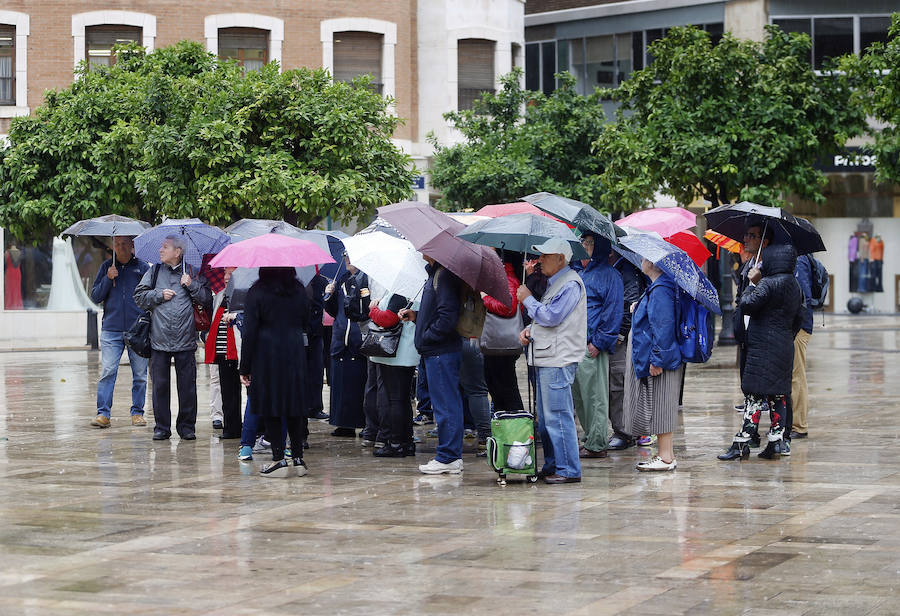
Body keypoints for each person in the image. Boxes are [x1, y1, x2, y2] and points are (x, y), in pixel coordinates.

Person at [719, 244, 802, 461]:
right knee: (779, 395)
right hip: (783, 345)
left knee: (754, 395)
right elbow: (798, 319)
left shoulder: (768, 283)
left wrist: (750, 284)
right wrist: (785, 336)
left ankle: (742, 442)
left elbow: (747, 305)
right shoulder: (795, 284)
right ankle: (776, 441)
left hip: (762, 347)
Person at [517, 238, 587, 485]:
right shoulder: (555, 283)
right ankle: (554, 463)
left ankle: (568, 469)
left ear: (561, 259)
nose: (540, 261)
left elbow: (552, 316)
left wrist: (527, 298)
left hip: (558, 359)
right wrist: (529, 330)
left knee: (557, 416)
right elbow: (545, 319)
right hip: (547, 356)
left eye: (545, 256)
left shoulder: (570, 284)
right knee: (547, 419)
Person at [134, 236, 211, 441]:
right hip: (159, 338)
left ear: (177, 252)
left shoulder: (192, 271)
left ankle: (186, 427)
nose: (160, 250)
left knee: (187, 386)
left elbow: (207, 298)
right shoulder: (155, 270)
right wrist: (158, 294)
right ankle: (161, 427)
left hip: (185, 339)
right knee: (159, 386)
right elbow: (139, 297)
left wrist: (191, 285)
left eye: (165, 247)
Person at [239, 267, 310, 477]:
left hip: (266, 353)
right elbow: (306, 321)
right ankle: (297, 458)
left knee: (271, 405)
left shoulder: (257, 291)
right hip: (295, 350)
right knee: (294, 404)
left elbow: (249, 331)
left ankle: (279, 458)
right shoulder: (299, 290)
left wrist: (245, 366)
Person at [399, 256, 465, 475]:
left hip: (441, 351)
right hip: (438, 350)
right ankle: (450, 455)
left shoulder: (444, 275)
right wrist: (417, 317)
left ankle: (448, 456)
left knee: (446, 405)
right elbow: (437, 312)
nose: (420, 251)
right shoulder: (435, 274)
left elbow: (447, 315)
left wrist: (428, 336)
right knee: (445, 403)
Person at [623, 259, 683, 472]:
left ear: (652, 263)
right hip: (660, 356)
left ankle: (666, 456)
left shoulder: (661, 289)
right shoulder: (658, 287)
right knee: (660, 404)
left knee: (661, 404)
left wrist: (657, 359)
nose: (641, 261)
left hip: (660, 358)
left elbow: (663, 326)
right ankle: (667, 454)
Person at [90, 235, 150, 428]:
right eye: (117, 243)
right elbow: (96, 296)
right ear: (113, 245)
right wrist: (108, 279)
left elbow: (150, 296)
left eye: (125, 243)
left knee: (140, 374)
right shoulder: (107, 267)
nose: (121, 247)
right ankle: (103, 414)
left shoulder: (142, 268)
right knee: (108, 372)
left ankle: (137, 413)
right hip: (111, 330)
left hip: (137, 330)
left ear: (132, 245)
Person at [572, 234, 623, 458]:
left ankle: (598, 442)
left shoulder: (610, 275)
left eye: (590, 243)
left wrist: (599, 342)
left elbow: (613, 312)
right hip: (574, 343)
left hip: (592, 345)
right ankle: (589, 438)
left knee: (595, 397)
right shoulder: (580, 272)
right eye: (583, 242)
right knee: (580, 399)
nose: (584, 246)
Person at [368, 292, 419, 457]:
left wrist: (373, 309)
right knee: (403, 399)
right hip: (406, 353)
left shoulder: (399, 294)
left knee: (395, 400)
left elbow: (387, 319)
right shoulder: (415, 293)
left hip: (395, 354)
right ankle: (406, 441)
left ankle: (395, 443)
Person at [324, 257, 370, 438]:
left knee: (358, 383)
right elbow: (334, 310)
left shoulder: (364, 280)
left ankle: (362, 422)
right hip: (340, 337)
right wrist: (328, 296)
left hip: (356, 338)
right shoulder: (341, 279)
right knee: (339, 383)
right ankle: (342, 423)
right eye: (346, 257)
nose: (348, 261)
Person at [607, 250, 645, 450]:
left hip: (620, 337)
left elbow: (630, 303)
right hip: (611, 334)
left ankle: (624, 431)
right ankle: (624, 429)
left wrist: (621, 333)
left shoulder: (627, 270)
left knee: (618, 383)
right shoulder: (617, 268)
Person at [480, 253, 525, 421]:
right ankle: (505, 432)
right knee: (499, 390)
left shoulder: (507, 277)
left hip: (502, 345)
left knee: (506, 390)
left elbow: (508, 307)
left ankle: (516, 432)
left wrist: (485, 298)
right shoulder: (497, 276)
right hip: (496, 344)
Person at [204, 267, 242, 439]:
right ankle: (231, 428)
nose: (226, 277)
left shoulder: (245, 294)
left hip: (238, 351)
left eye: (230, 273)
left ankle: (251, 428)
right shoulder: (220, 294)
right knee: (227, 390)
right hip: (222, 350)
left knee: (242, 391)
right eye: (225, 272)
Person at [790, 255, 814, 441]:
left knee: (797, 377)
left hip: (798, 327)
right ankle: (791, 423)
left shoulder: (798, 260)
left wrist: (797, 325)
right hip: (792, 326)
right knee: (792, 376)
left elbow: (803, 295)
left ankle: (799, 425)